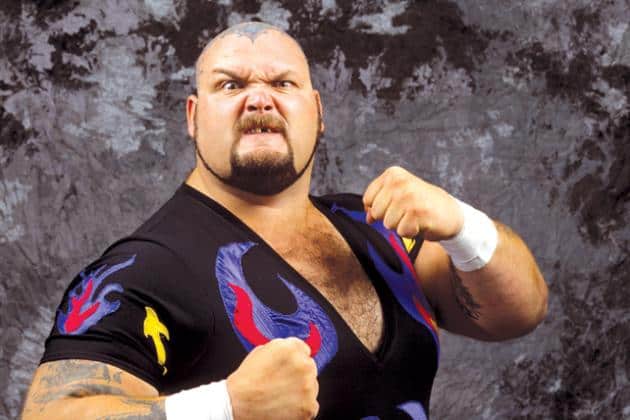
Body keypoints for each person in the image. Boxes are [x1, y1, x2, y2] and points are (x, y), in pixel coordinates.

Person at [21, 22, 547, 420]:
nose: (259, 98)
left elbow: (517, 314)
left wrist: (463, 227)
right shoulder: (145, 268)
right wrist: (222, 407)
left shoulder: (375, 224)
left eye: (283, 82)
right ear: (193, 116)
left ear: (317, 111)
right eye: (231, 85)